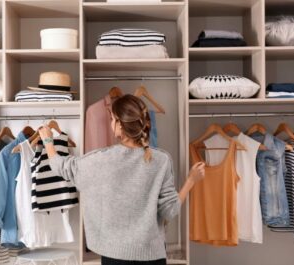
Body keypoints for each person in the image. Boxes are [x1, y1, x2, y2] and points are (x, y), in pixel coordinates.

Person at [39, 94, 205, 265]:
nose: (110, 123)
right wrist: (191, 180)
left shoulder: (101, 159)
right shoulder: (161, 160)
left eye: (112, 119)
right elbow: (170, 210)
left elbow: (62, 167)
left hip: (114, 256)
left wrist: (48, 142)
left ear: (119, 124)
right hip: (152, 256)